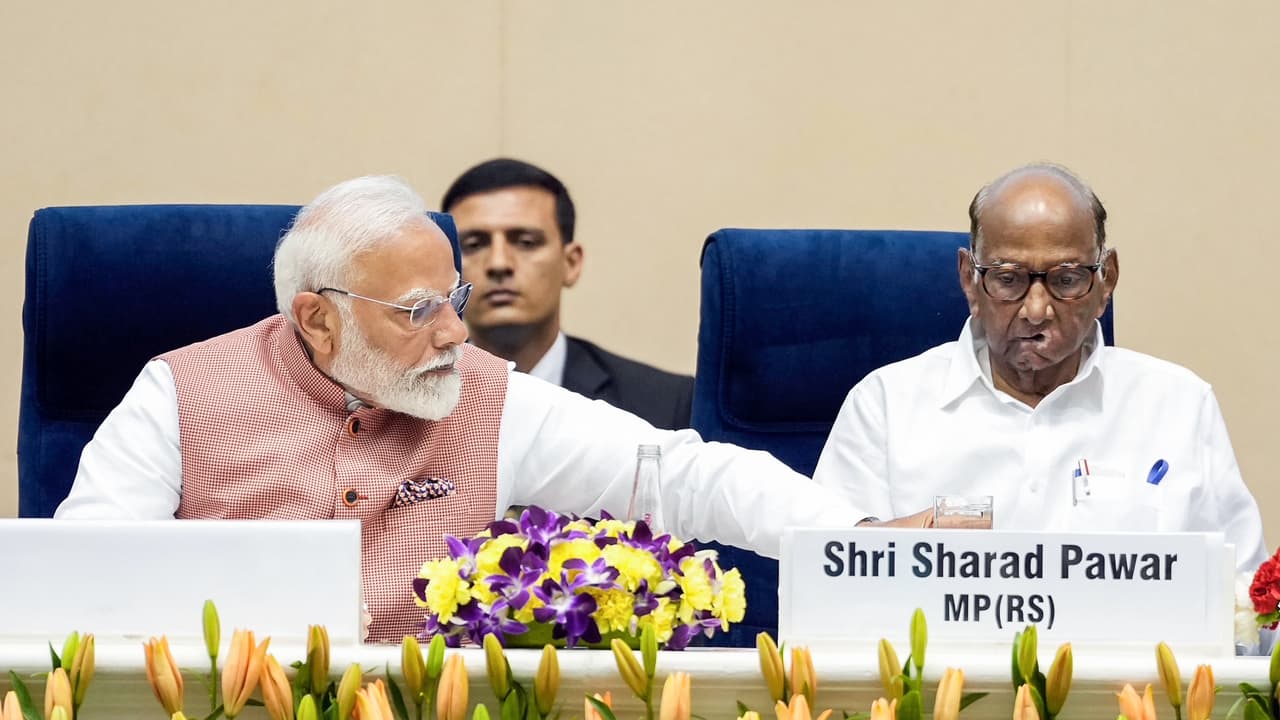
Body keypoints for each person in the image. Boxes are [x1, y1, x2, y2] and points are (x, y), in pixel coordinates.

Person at [56, 175, 870, 643]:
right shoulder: (178, 395)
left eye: (455, 297)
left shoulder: (482, 392)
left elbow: (681, 475)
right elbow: (79, 587)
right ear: (317, 318)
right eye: (417, 310)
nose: (455, 332)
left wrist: (858, 542)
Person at [812, 163, 1268, 574]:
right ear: (970, 279)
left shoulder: (1178, 406)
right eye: (1008, 279)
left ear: (1105, 279)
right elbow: (827, 586)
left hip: (1131, 671)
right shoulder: (886, 406)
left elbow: (1244, 607)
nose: (1035, 309)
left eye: (1066, 279)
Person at [441, 158, 694, 429]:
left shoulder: (665, 404)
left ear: (571, 263)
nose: (498, 264)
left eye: (526, 242)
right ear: (447, 268)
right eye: (474, 244)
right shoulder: (409, 402)